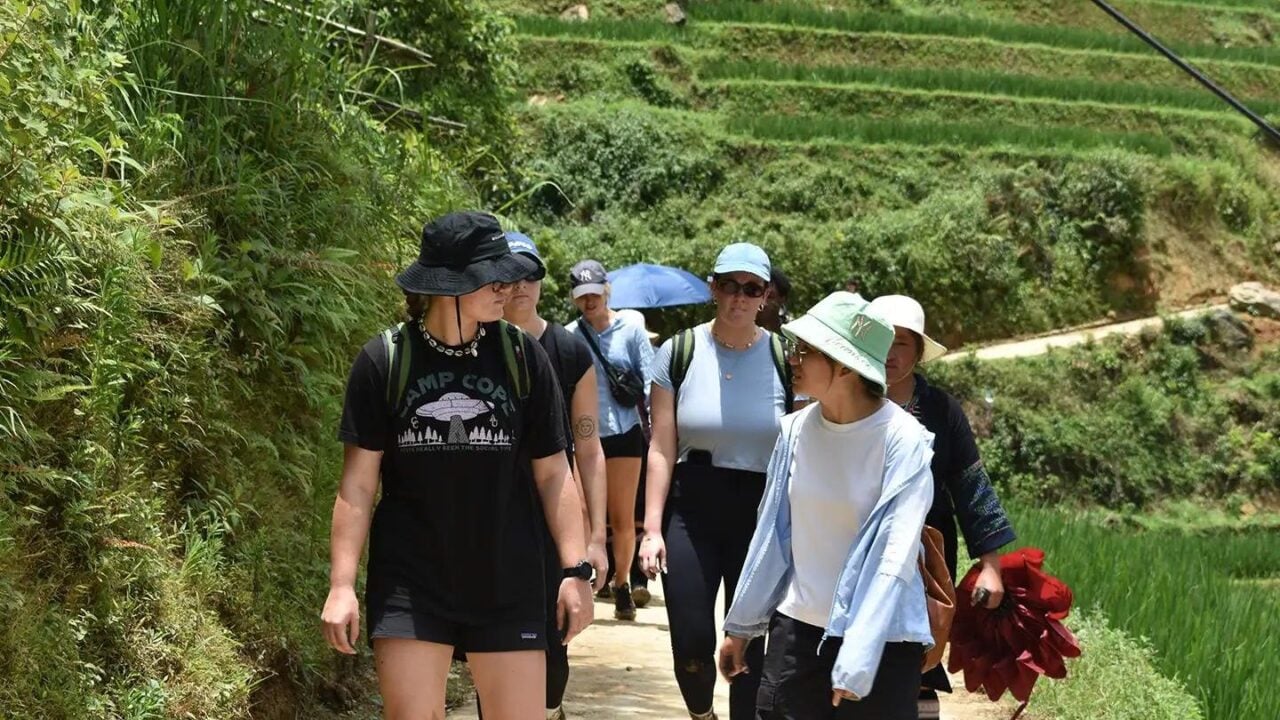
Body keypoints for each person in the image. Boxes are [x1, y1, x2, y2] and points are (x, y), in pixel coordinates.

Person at [321, 211, 594, 719]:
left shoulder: (523, 359)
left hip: (508, 578)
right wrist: (341, 585)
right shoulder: (385, 360)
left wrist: (576, 570)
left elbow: (554, 471)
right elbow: (358, 486)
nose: (506, 286)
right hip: (412, 581)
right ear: (449, 284)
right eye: (492, 275)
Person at [719, 292, 936, 720]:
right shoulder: (795, 431)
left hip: (883, 643)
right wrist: (740, 627)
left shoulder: (905, 441)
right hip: (798, 633)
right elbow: (772, 536)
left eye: (806, 350)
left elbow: (893, 558)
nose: (793, 358)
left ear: (844, 366)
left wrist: (858, 654)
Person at [640, 243, 793, 720]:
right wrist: (649, 530)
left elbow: (803, 448)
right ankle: (702, 713)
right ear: (713, 287)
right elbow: (662, 446)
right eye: (730, 285)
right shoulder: (679, 351)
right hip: (692, 506)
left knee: (752, 645)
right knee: (691, 640)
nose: (739, 298)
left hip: (761, 512)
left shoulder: (785, 357)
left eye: (752, 289)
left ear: (766, 296)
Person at [868, 294, 1016, 720]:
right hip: (854, 546)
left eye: (902, 343)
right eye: (882, 340)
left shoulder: (942, 411)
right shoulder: (849, 400)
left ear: (918, 351)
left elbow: (971, 487)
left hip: (926, 556)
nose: (890, 353)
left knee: (917, 658)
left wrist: (991, 564)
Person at [498, 232, 609, 720]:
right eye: (509, 274)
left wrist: (596, 537)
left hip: (553, 512)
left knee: (552, 642)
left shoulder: (569, 352)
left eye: (530, 274)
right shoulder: (474, 344)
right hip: (491, 511)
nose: (520, 285)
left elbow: (587, 445)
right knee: (493, 644)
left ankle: (549, 708)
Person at [567, 260, 656, 621]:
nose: (589, 302)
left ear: (607, 291)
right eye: (582, 296)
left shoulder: (631, 329)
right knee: (586, 515)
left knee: (621, 517)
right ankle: (587, 580)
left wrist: (659, 428)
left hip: (623, 431)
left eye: (594, 294)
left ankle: (621, 584)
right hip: (584, 435)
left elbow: (650, 380)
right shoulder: (570, 335)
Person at [756, 267, 791, 334]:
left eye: (769, 297)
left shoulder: (791, 337)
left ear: (782, 299)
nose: (762, 302)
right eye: (758, 295)